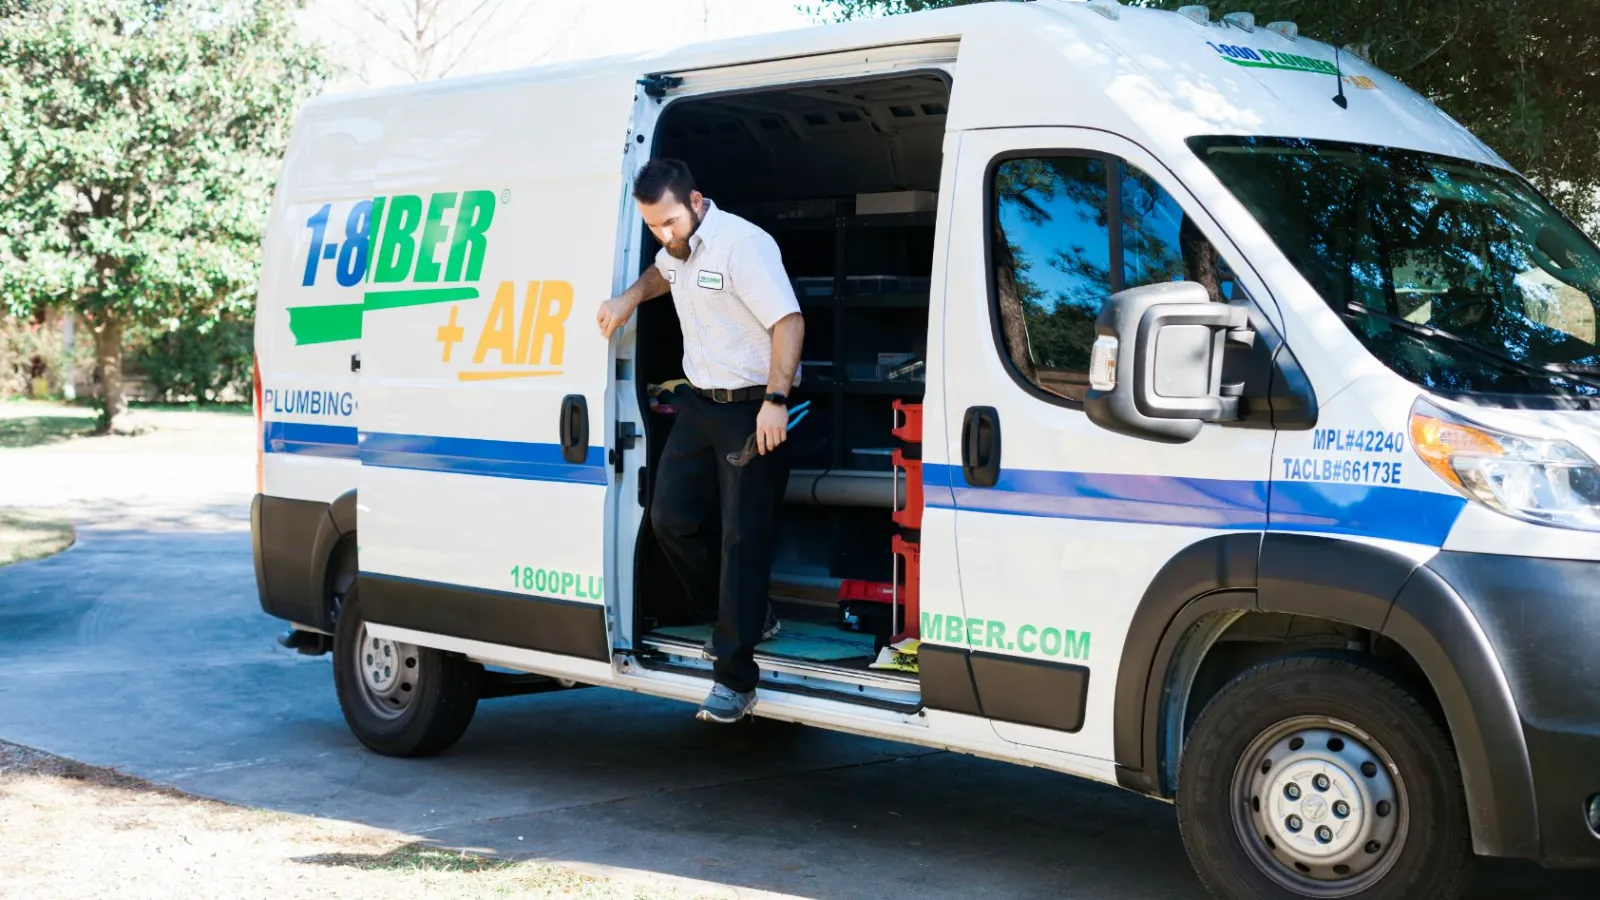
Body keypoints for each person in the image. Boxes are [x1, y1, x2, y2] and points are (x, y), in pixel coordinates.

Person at [597, 159, 805, 723]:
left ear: (695, 202)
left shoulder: (743, 246)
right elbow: (662, 273)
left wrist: (776, 401)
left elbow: (788, 321)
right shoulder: (678, 248)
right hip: (698, 404)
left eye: (669, 222)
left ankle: (735, 681)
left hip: (752, 409)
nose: (663, 236)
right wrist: (626, 299)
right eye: (651, 228)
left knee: (743, 538)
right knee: (669, 516)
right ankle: (747, 614)